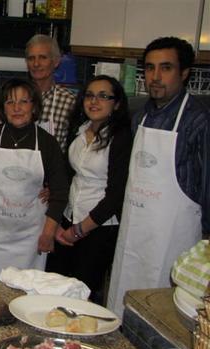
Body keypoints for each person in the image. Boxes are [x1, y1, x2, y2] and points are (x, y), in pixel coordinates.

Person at [108, 37, 210, 317]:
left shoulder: (199, 120)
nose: (155, 76)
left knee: (162, 316)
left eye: (165, 68)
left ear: (184, 72)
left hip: (173, 238)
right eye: (150, 68)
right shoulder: (139, 117)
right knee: (124, 301)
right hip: (135, 230)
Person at [0, 78, 68, 280]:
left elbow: (60, 192)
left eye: (24, 102)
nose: (17, 108)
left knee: (26, 292)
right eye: (10, 102)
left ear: (34, 106)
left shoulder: (47, 143)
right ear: (3, 108)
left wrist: (48, 233)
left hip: (30, 237)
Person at [48, 75, 133, 305]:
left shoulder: (121, 138)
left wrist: (78, 231)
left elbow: (115, 195)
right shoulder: (79, 130)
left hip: (98, 229)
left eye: (104, 96)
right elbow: (67, 177)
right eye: (90, 95)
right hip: (68, 219)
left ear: (116, 104)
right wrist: (57, 222)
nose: (94, 101)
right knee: (55, 291)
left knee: (81, 298)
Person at [25, 34, 76, 152]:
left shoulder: (69, 101)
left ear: (56, 61)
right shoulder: (13, 98)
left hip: (53, 169)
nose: (36, 64)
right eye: (31, 58)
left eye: (43, 57)